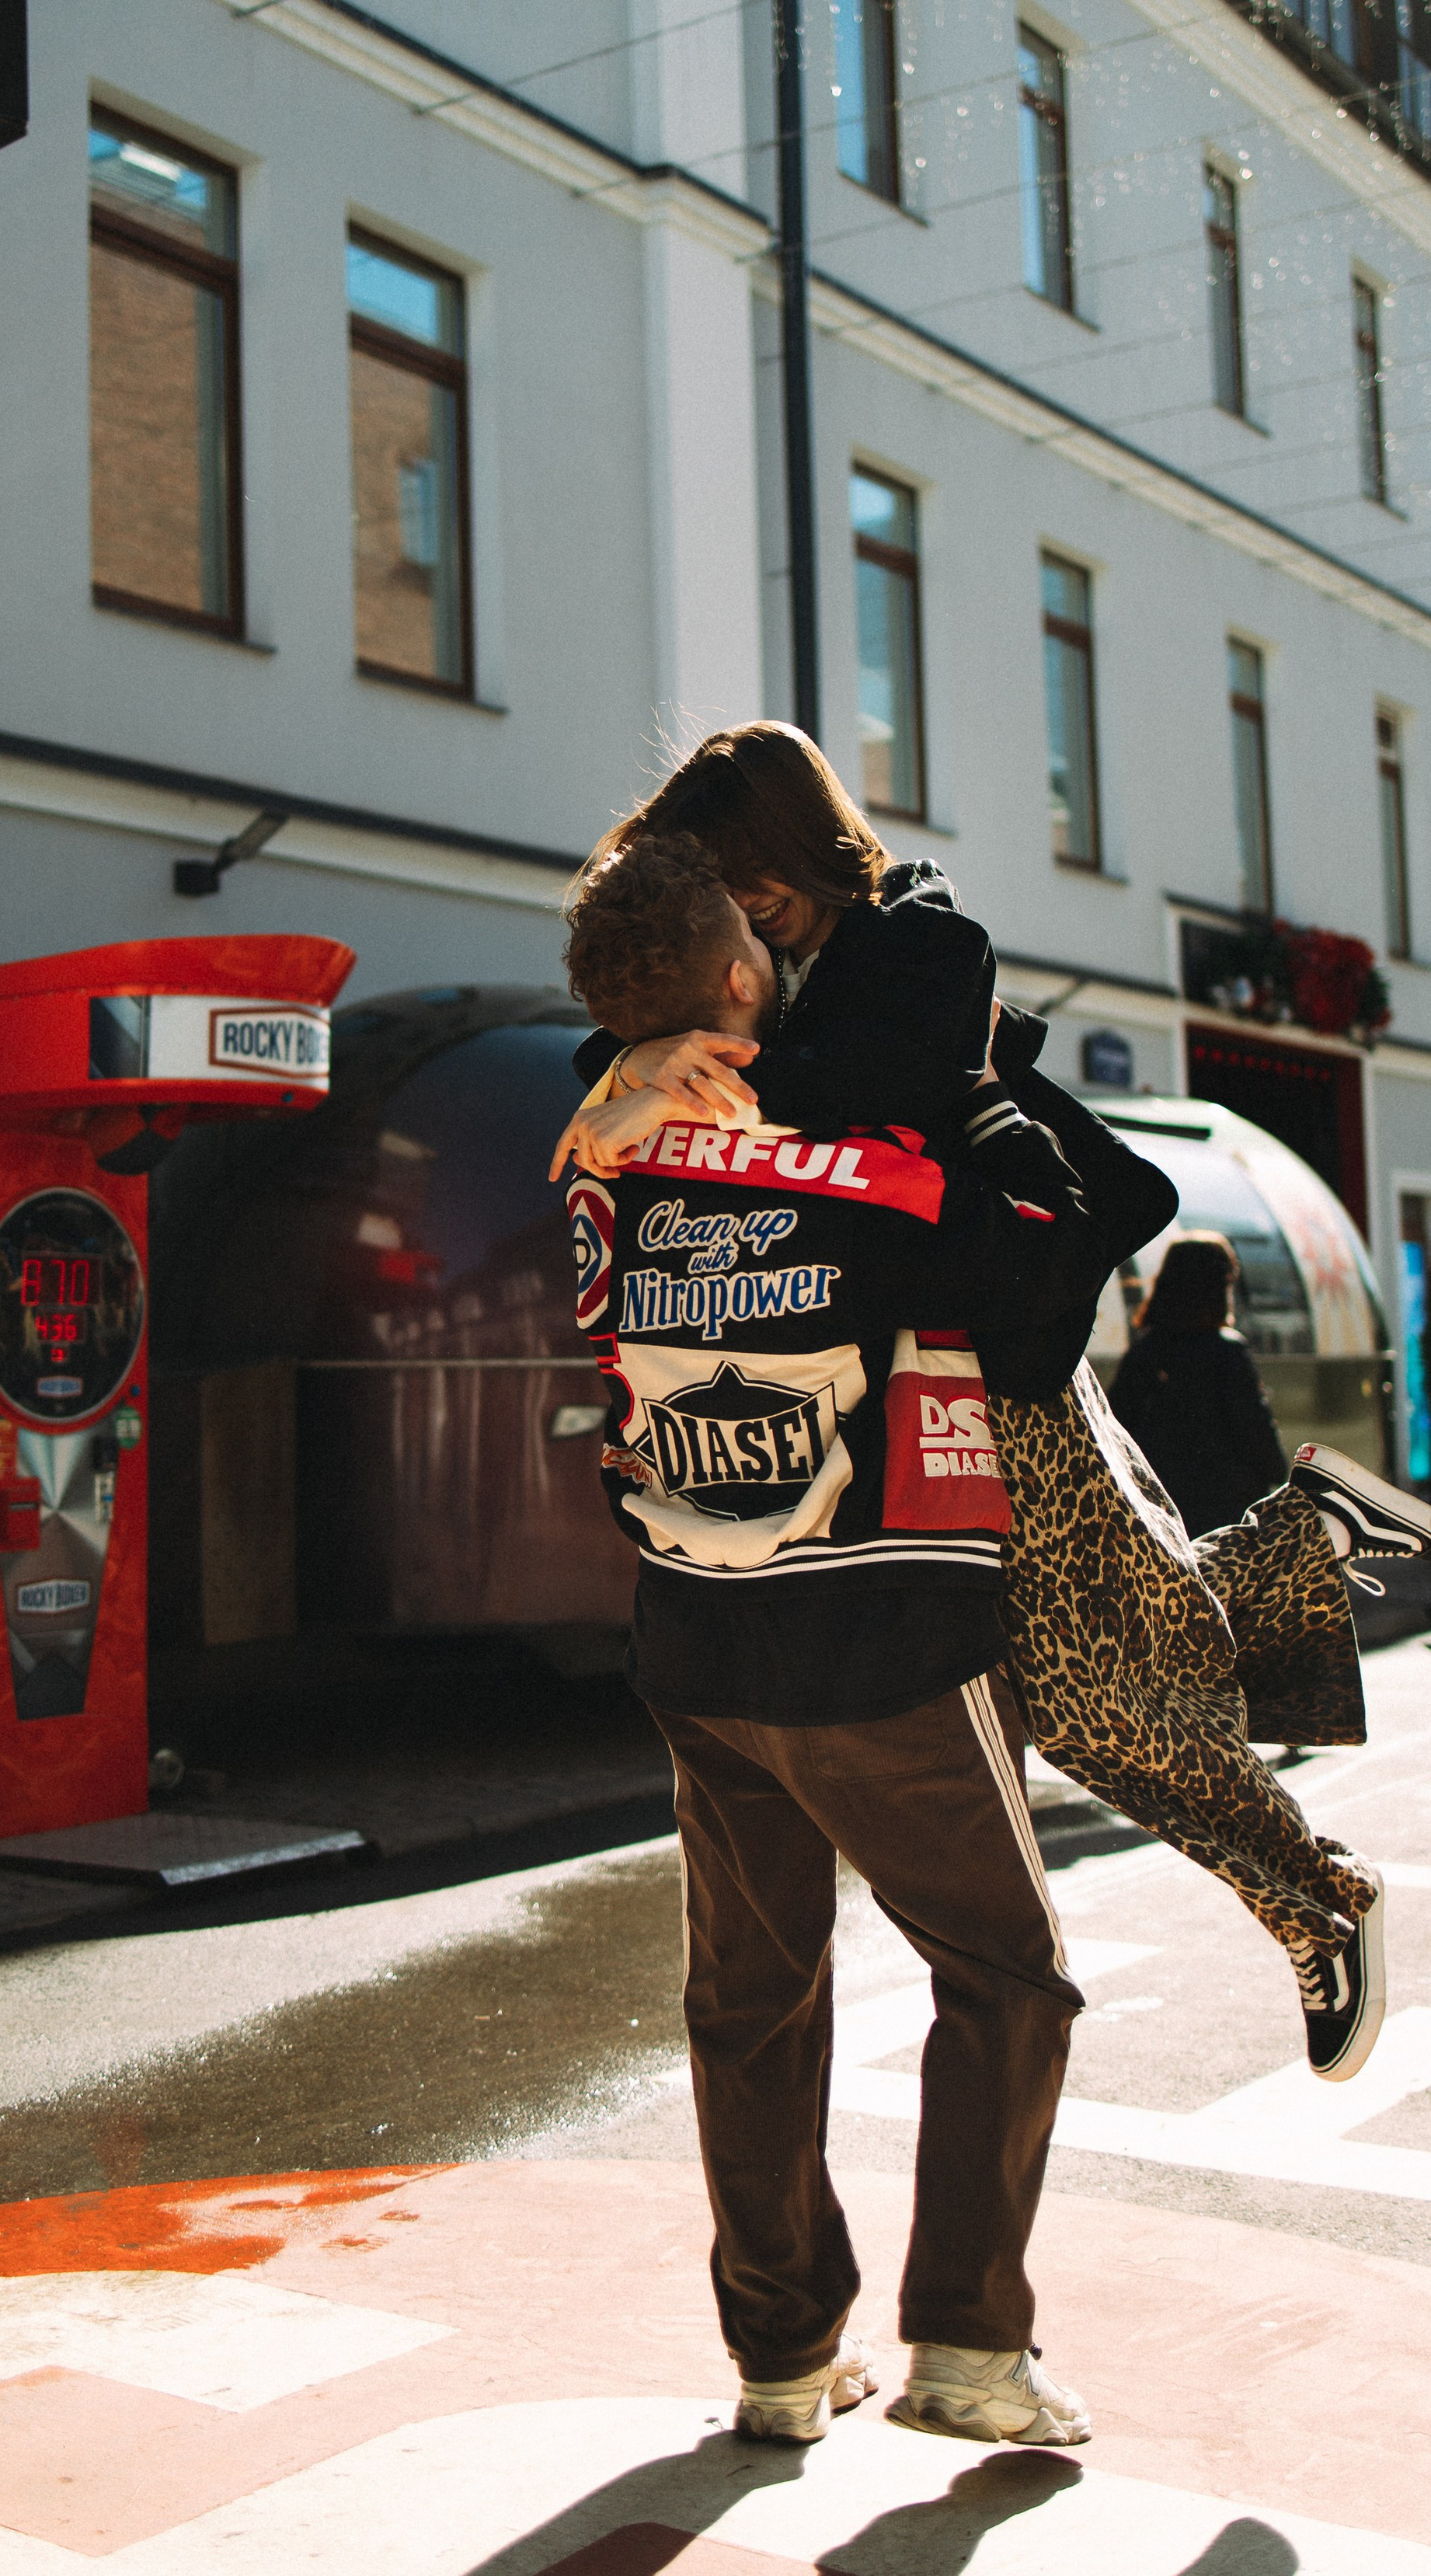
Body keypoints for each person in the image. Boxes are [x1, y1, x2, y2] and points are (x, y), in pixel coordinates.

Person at [554, 723, 1431, 2083]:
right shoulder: (760, 984)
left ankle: (1319, 1898)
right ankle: (1306, 1555)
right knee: (1097, 1667)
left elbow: (821, 1123)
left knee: (1099, 1701)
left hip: (994, 1381)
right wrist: (628, 1071)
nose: (716, 917)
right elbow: (642, 1082)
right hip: (895, 1406)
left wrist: (660, 1086)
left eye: (723, 880)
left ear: (777, 872)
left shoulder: (916, 953)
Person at [562, 829, 1112, 2452]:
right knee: (1007, 1974)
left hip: (693, 1637)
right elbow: (1032, 1302)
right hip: (878, 1628)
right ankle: (965, 2347)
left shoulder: (602, 1156)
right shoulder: (875, 1159)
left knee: (750, 2001)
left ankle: (781, 2361)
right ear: (744, 972)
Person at [1109, 1232, 1288, 1536]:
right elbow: (1263, 1448)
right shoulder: (1228, 1353)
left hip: (1158, 1522)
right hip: (1226, 1528)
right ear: (1220, 1288)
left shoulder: (1144, 1353)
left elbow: (1115, 1433)